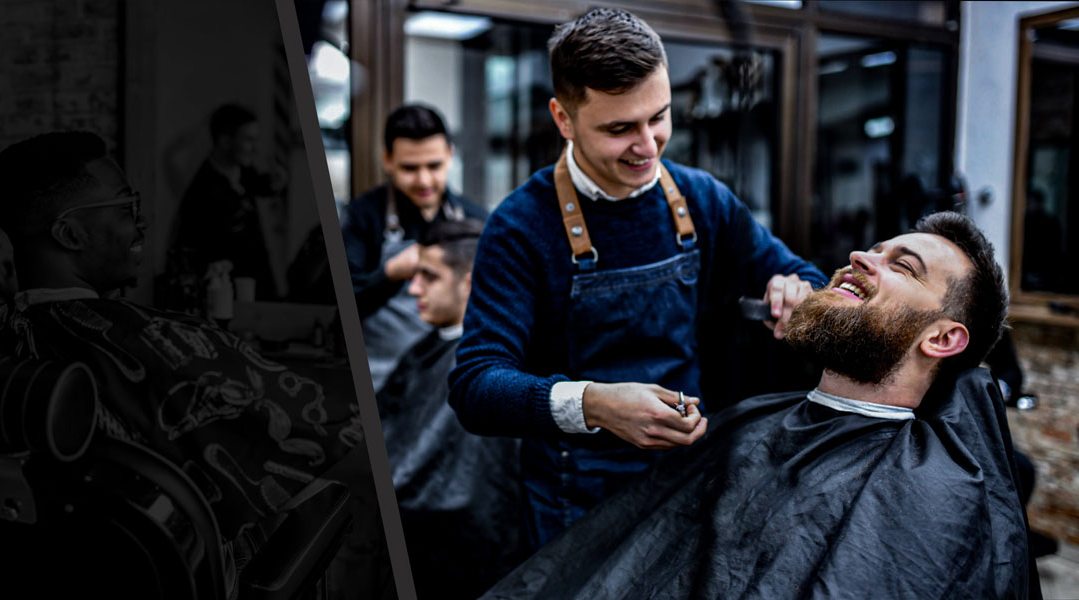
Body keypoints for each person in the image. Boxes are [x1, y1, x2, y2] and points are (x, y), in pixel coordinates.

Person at [0, 131, 376, 597]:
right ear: (69, 232)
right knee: (335, 497)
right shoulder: (166, 342)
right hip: (154, 574)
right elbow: (336, 427)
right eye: (126, 208)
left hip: (21, 576)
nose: (141, 224)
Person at [482, 211, 1033, 599]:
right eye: (875, 248)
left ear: (941, 340)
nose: (862, 256)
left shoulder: (929, 499)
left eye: (903, 267)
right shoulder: (751, 427)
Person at [448, 6, 827, 549]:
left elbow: (803, 273)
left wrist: (798, 290)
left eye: (659, 117)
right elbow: (476, 387)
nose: (648, 146)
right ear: (564, 118)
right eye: (620, 128)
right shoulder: (520, 226)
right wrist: (595, 405)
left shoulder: (703, 199)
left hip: (688, 477)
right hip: (573, 496)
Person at [377, 218, 525, 599]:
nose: (413, 289)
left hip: (463, 562)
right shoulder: (430, 348)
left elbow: (445, 482)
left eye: (429, 277)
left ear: (473, 281)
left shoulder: (480, 367)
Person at [343, 104, 487, 391]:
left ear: (450, 155)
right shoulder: (362, 217)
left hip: (449, 383)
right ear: (387, 160)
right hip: (378, 382)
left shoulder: (477, 221)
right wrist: (390, 273)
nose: (424, 180)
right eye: (410, 168)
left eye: (434, 166)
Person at [173, 103, 285, 301]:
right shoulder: (203, 191)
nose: (255, 148)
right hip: (228, 298)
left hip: (260, 288)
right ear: (225, 141)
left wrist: (276, 182)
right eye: (248, 140)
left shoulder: (243, 173)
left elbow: (263, 184)